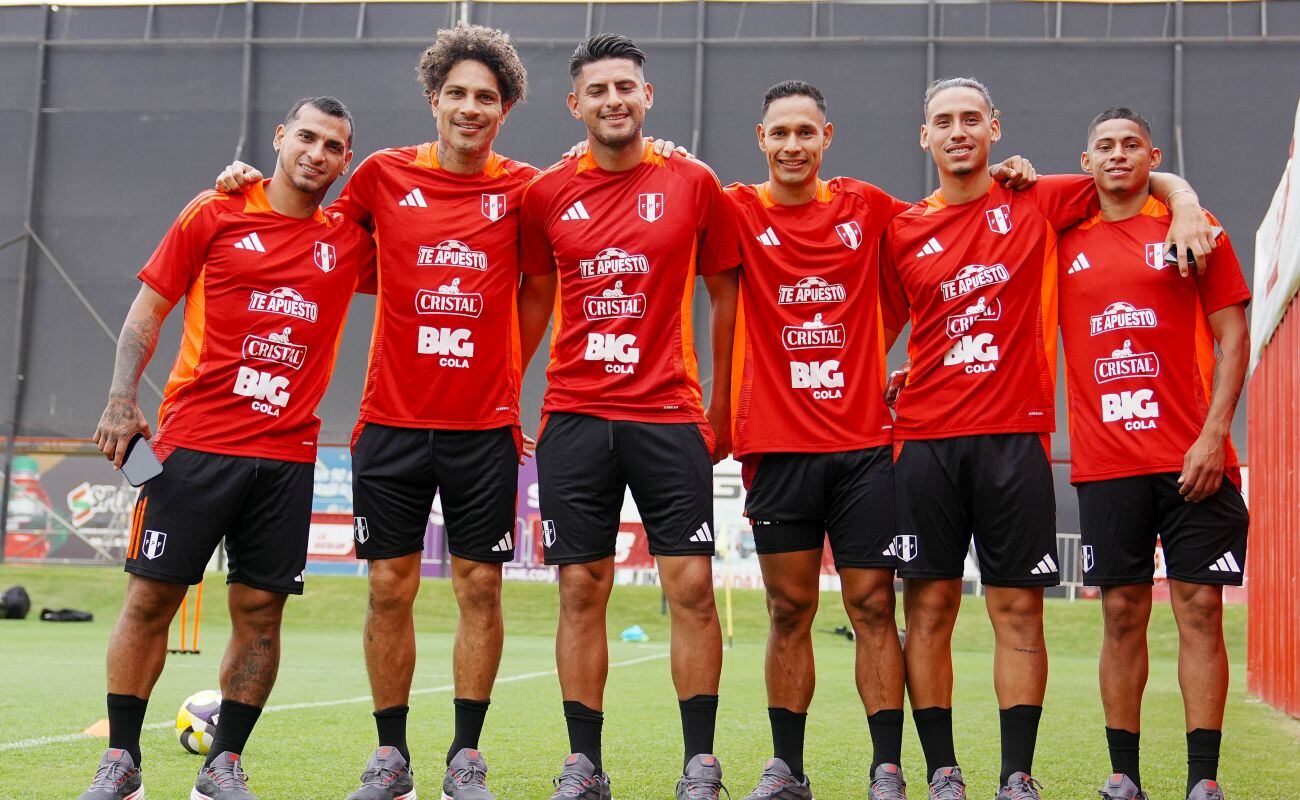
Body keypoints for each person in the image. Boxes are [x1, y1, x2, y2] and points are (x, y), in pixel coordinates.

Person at [216, 24, 534, 800]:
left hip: (484, 427)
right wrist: (247, 184)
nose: (469, 107)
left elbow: (572, 248)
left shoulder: (529, 188)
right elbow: (307, 224)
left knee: (480, 591)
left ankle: (466, 758)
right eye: (456, 93)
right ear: (433, 100)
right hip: (389, 424)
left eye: (485, 98)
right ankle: (391, 759)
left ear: (505, 110)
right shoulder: (385, 175)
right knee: (388, 588)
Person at [879, 78, 1217, 800]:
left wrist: (1185, 202)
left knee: (1018, 610)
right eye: (944, 120)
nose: (959, 130)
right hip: (926, 438)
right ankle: (942, 770)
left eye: (972, 118)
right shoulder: (903, 228)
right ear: (925, 136)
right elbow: (871, 323)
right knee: (928, 609)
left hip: (1015, 439)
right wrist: (898, 371)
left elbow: (1127, 168)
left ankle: (1015, 776)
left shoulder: (1037, 198)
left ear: (995, 128)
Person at [725, 80, 1036, 800]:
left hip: (865, 445)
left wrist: (1008, 175)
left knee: (872, 606)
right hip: (776, 445)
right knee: (788, 610)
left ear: (826, 137)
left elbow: (952, 237)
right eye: (781, 133)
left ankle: (887, 767)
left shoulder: (869, 208)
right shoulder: (736, 208)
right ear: (761, 139)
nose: (794, 145)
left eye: (807, 132)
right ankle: (786, 768)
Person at [80, 96, 372, 800]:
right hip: (190, 447)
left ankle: (224, 766)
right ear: (279, 137)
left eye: (333, 146)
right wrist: (122, 400)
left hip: (287, 458)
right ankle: (121, 762)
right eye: (306, 136)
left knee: (261, 615)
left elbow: (432, 247)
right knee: (150, 600)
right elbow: (148, 310)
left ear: (345, 161)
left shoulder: (350, 240)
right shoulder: (213, 211)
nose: (316, 153)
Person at [516, 32, 740, 800]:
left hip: (669, 415)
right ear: (575, 104)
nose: (614, 100)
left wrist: (723, 405)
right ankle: (585, 763)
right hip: (574, 415)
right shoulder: (544, 193)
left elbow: (725, 291)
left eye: (627, 87)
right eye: (598, 90)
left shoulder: (693, 181)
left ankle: (700, 763)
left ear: (648, 97)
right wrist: (506, 388)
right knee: (581, 587)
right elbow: (536, 298)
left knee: (691, 588)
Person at [1058, 107, 1249, 800]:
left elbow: (1235, 338)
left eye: (1130, 145)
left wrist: (1211, 435)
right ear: (1086, 163)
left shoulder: (1196, 231)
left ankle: (1204, 781)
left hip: (1195, 458)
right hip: (1108, 465)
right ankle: (1124, 777)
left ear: (1152, 155)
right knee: (1121, 614)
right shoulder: (1061, 239)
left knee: (1200, 607)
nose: (1116, 155)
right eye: (1103, 145)